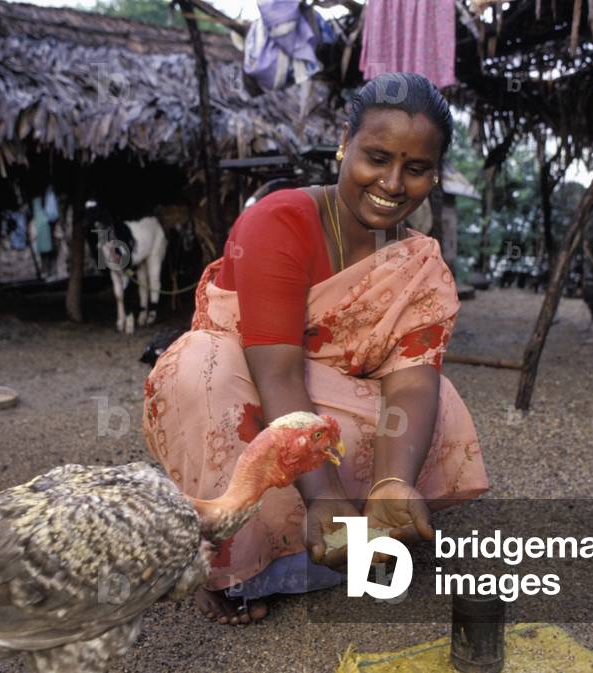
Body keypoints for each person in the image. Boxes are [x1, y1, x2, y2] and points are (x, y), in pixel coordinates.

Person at [142, 72, 489, 625]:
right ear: (344, 143)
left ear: (435, 173)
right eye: (377, 157)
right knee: (199, 367)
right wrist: (324, 497)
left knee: (436, 400)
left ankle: (348, 539)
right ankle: (235, 563)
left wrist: (393, 481)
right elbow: (278, 374)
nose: (394, 183)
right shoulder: (279, 221)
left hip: (321, 413)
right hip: (256, 393)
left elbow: (411, 377)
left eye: (416, 168)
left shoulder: (419, 262)